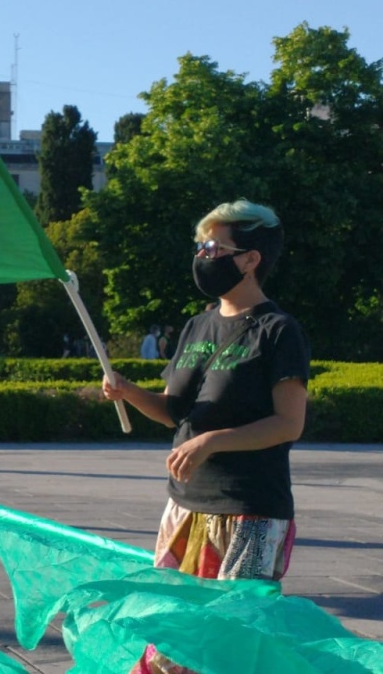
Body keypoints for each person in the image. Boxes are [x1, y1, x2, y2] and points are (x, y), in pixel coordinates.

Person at [102, 199, 310, 674]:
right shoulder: (198, 325)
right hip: (185, 507)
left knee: (227, 645)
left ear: (251, 258)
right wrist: (128, 391)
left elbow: (288, 424)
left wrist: (211, 441)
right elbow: (175, 411)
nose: (203, 255)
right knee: (170, 637)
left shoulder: (279, 331)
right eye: (201, 245)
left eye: (215, 247)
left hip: (251, 512)